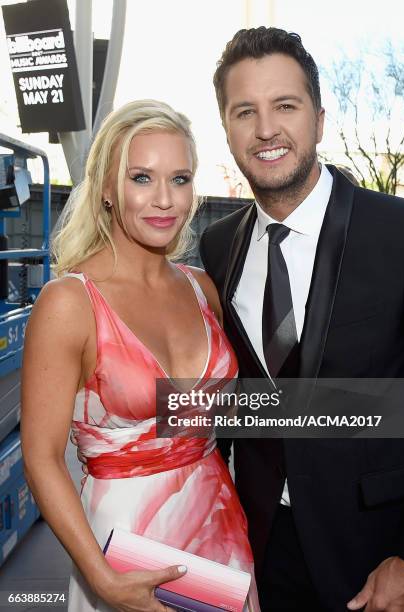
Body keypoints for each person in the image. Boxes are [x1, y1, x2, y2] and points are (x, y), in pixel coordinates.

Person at [21, 100, 259, 612]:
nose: (164, 200)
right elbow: (41, 458)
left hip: (219, 525)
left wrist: (366, 411)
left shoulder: (201, 289)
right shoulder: (69, 303)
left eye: (179, 179)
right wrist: (100, 577)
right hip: (122, 547)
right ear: (107, 189)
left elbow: (201, 413)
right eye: (141, 178)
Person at [200, 27, 404, 612]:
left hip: (375, 555)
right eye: (246, 112)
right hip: (259, 548)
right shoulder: (218, 246)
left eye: (284, 106)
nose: (266, 129)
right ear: (227, 129)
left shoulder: (397, 232)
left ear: (318, 119)